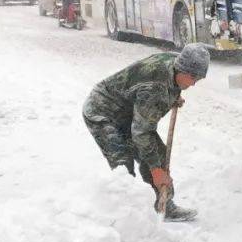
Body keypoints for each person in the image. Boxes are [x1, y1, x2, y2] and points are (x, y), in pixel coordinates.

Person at [83, 43, 210, 222]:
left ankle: (165, 204)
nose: (194, 83)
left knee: (158, 153)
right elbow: (141, 132)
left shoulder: (174, 65)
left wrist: (172, 95)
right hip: (103, 111)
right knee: (123, 161)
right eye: (193, 78)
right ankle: (124, 216)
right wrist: (155, 170)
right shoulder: (154, 89)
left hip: (130, 110)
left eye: (198, 79)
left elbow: (165, 87)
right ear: (182, 69)